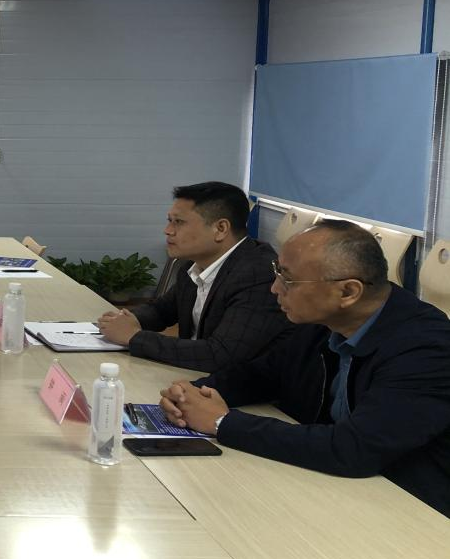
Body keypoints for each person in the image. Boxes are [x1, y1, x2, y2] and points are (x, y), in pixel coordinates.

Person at [159, 220, 450, 517]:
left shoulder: (427, 349)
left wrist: (223, 422)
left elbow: (353, 449)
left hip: (413, 510)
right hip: (336, 489)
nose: (274, 288)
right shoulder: (325, 322)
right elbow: (262, 375)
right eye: (277, 272)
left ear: (348, 292)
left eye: (288, 279)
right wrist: (193, 394)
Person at [97, 181, 290, 372]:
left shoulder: (258, 274)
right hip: (193, 376)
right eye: (169, 220)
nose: (168, 230)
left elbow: (221, 355)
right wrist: (130, 319)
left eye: (178, 222)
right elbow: (162, 310)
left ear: (220, 229)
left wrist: (133, 337)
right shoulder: (195, 264)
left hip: (238, 387)